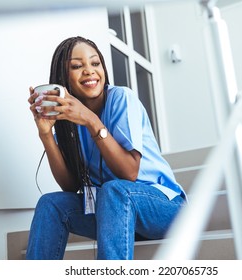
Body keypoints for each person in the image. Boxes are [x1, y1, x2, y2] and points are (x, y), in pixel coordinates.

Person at [26, 36, 186, 260]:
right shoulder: (70, 121)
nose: (90, 71)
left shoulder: (121, 98)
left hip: (165, 211)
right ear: (63, 79)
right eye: (77, 66)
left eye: (95, 63)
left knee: (114, 190)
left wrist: (91, 120)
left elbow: (129, 173)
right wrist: (46, 135)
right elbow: (70, 186)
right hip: (116, 217)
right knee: (51, 203)